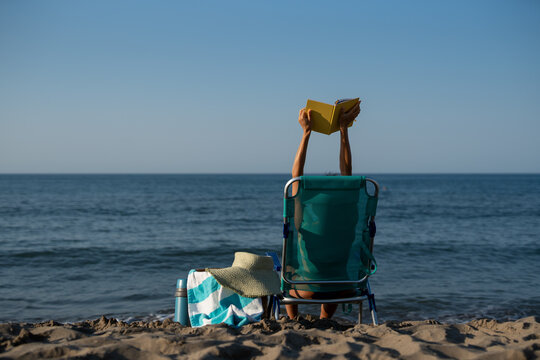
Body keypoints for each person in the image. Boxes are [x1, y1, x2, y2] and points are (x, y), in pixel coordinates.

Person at [286, 100, 361, 319]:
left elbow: (296, 177)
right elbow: (347, 174)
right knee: (335, 269)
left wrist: (306, 133)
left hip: (304, 291)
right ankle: (325, 320)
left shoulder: (302, 221)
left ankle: (292, 320)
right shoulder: (349, 217)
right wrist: (343, 129)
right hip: (345, 287)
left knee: (288, 270)